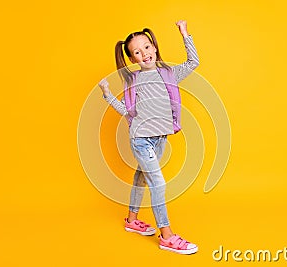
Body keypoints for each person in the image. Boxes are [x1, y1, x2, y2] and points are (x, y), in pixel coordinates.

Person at [98, 20, 199, 255]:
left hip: (160, 139)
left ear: (154, 47)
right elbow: (126, 110)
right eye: (136, 52)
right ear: (132, 59)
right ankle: (167, 236)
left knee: (141, 178)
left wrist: (184, 34)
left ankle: (132, 220)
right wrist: (107, 95)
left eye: (146, 47)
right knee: (158, 183)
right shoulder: (134, 81)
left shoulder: (169, 74)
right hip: (141, 140)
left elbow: (194, 62)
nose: (143, 54)